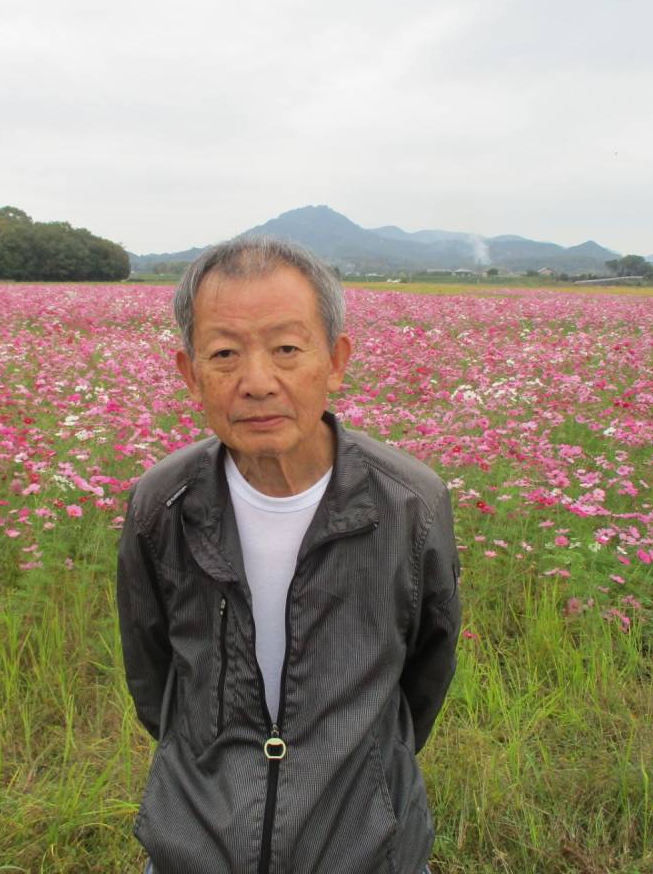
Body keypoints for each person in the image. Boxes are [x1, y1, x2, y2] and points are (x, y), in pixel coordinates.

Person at [117, 236, 460, 874]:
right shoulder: (161, 504)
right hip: (198, 849)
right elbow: (153, 675)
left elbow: (424, 674)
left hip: (364, 850)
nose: (256, 383)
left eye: (286, 350)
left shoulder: (410, 504)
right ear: (190, 374)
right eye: (224, 354)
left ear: (335, 362)